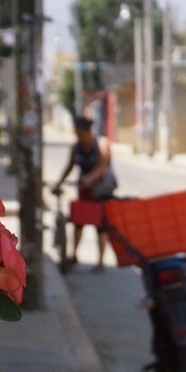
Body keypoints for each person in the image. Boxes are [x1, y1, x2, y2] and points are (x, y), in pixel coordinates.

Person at [53, 115, 118, 270]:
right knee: (78, 222)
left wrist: (90, 178)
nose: (78, 136)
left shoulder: (102, 144)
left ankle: (101, 261)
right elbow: (69, 167)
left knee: (100, 225)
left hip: (101, 191)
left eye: (79, 133)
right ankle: (74, 255)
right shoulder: (76, 148)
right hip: (84, 190)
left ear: (86, 131)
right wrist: (59, 182)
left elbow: (103, 165)